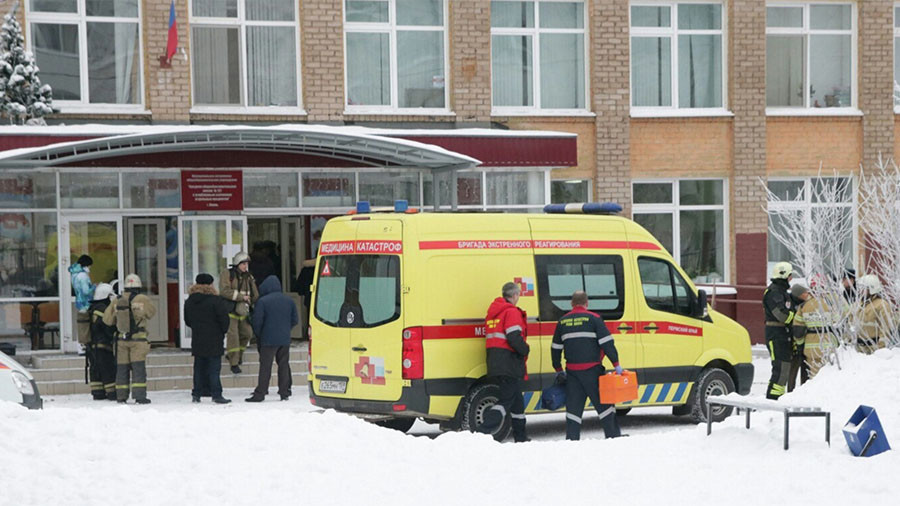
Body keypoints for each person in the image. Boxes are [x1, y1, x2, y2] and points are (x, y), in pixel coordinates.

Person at [551, 290, 623, 440]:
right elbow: (607, 344)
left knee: (573, 409)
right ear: (587, 303)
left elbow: (555, 348)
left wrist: (558, 369)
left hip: (572, 373)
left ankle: (572, 439)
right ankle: (613, 436)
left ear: (571, 303)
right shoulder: (594, 319)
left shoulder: (562, 321)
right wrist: (616, 364)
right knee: (604, 405)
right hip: (593, 372)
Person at [476, 282, 530, 442]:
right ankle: (482, 432)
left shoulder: (494, 313)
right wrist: (525, 349)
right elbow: (514, 337)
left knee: (517, 401)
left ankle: (521, 436)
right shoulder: (511, 312)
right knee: (506, 400)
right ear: (514, 295)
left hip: (495, 361)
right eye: (518, 295)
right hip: (509, 362)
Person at [104, 274, 157, 404]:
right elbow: (151, 313)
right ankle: (140, 396)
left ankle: (121, 396)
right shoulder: (142, 299)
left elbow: (107, 320)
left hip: (121, 340)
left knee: (122, 368)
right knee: (138, 368)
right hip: (138, 341)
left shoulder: (117, 300)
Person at [246, 275, 298, 402]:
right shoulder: (289, 301)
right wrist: (286, 330)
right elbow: (295, 320)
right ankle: (284, 392)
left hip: (268, 339)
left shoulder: (263, 302)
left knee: (265, 367)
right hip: (284, 339)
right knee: (283, 365)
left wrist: (259, 334)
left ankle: (261, 393)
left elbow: (257, 322)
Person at [184, 273, 231, 404]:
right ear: (210, 285)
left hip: (198, 338)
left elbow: (188, 320)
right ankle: (216, 394)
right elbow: (224, 320)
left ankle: (196, 394)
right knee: (214, 369)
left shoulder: (190, 301)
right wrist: (222, 331)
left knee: (199, 368)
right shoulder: (216, 301)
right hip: (214, 339)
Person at [220, 251, 259, 374]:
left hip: (243, 310)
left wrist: (251, 301)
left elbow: (255, 294)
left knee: (247, 334)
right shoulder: (227, 274)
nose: (245, 266)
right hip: (231, 310)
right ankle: (234, 363)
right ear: (237, 263)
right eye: (243, 264)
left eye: (247, 264)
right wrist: (241, 297)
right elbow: (224, 291)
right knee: (233, 337)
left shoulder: (249, 277)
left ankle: (237, 355)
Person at [763, 262, 796, 400]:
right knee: (779, 369)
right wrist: (796, 317)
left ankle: (778, 398)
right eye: (790, 276)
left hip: (783, 335)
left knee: (784, 369)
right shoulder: (774, 292)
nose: (791, 279)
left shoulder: (782, 292)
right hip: (776, 335)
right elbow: (781, 314)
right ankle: (772, 400)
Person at [792, 279, 834, 381]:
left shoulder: (804, 306)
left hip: (811, 349)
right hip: (829, 346)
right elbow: (842, 321)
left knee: (814, 377)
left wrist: (800, 345)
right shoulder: (832, 302)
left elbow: (798, 329)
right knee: (830, 376)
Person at [88, 283, 117, 401]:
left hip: (92, 346)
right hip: (103, 345)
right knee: (107, 369)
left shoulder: (92, 308)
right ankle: (112, 393)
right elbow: (107, 327)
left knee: (95, 369)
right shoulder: (103, 309)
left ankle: (97, 392)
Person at [857, 274, 892, 354]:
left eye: (863, 288)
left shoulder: (882, 305)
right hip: (860, 350)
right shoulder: (859, 304)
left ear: (871, 289)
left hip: (874, 349)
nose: (860, 290)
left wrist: (880, 350)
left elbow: (885, 330)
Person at [787, 284, 810, 392]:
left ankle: (803, 390)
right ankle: (790, 390)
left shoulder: (807, 304)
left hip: (805, 339)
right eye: (805, 293)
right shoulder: (790, 304)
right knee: (793, 368)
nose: (807, 294)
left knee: (805, 368)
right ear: (799, 295)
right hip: (793, 339)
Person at [69, 255, 95, 347]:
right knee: (86, 325)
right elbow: (86, 291)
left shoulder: (74, 274)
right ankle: (85, 345)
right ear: (86, 265)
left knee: (81, 324)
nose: (90, 268)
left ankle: (80, 345)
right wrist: (94, 287)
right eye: (89, 266)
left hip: (79, 302)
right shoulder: (83, 276)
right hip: (86, 303)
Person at [295, 257, 316, 340]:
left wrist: (305, 292)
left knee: (310, 317)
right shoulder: (325, 266)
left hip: (309, 298)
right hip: (324, 298)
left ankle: (309, 335)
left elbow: (299, 286)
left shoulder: (306, 269)